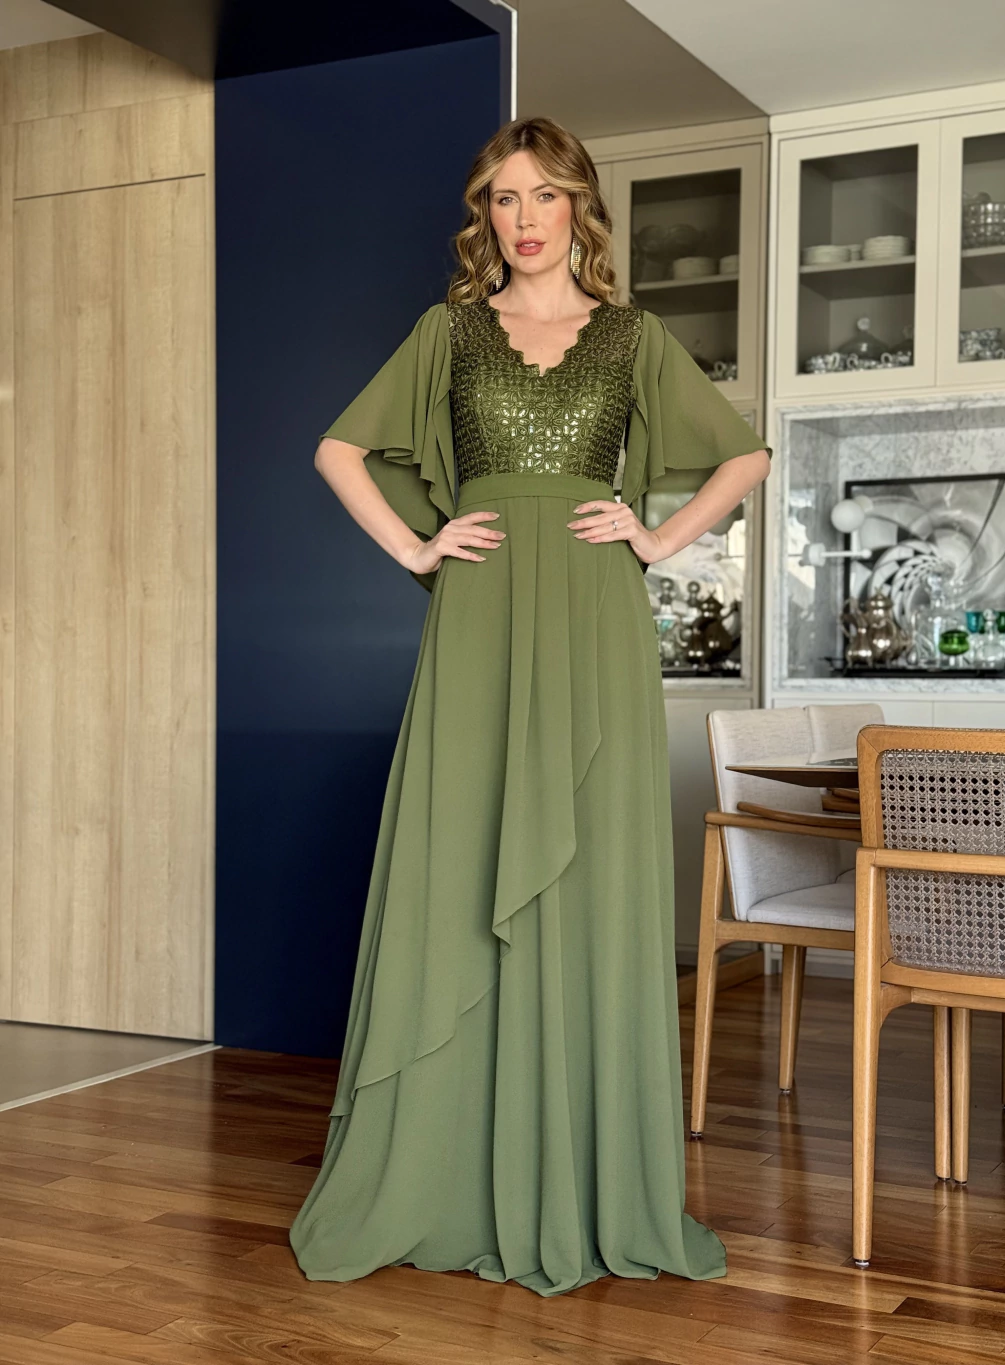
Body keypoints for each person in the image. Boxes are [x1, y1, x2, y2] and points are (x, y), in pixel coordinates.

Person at [288, 116, 771, 1298]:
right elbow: (340, 451)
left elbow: (745, 457)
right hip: (483, 613)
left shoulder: (632, 336)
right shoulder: (447, 331)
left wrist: (656, 537)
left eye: (545, 196)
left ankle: (588, 1176)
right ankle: (443, 1163)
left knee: (590, 867)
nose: (524, 219)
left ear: (578, 209)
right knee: (462, 859)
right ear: (485, 216)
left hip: (595, 617)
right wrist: (419, 547)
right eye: (503, 199)